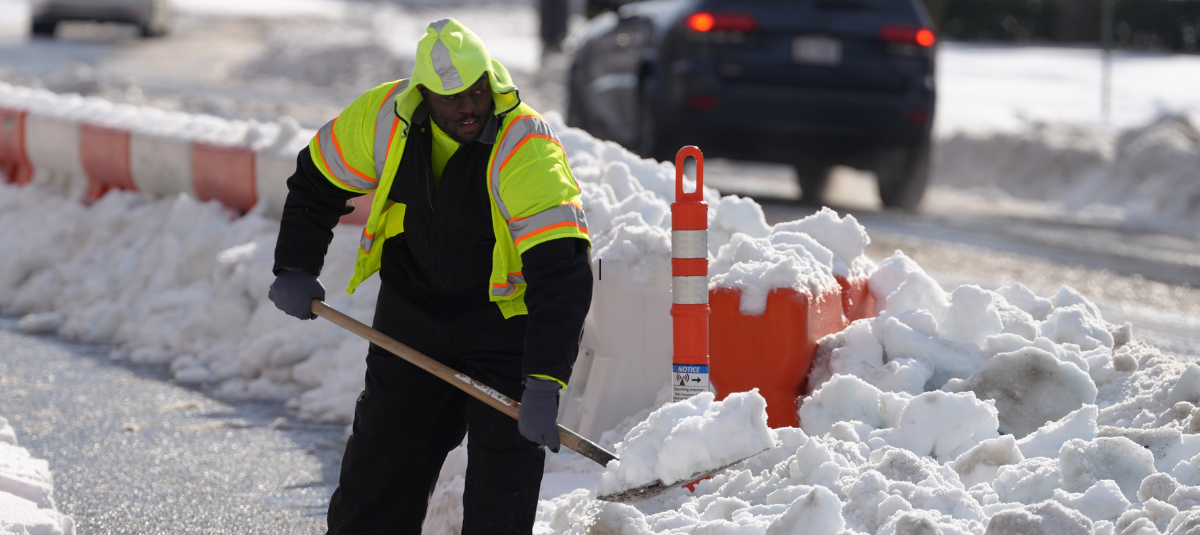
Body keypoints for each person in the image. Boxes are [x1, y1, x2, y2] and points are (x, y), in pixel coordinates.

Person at [266, 18, 593, 534]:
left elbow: (563, 272)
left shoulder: (526, 148)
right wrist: (295, 265)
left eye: (477, 90)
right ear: (424, 95)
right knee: (380, 467)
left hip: (502, 324)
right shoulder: (383, 118)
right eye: (451, 97)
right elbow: (316, 179)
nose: (467, 106)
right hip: (412, 310)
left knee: (501, 492)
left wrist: (544, 381)